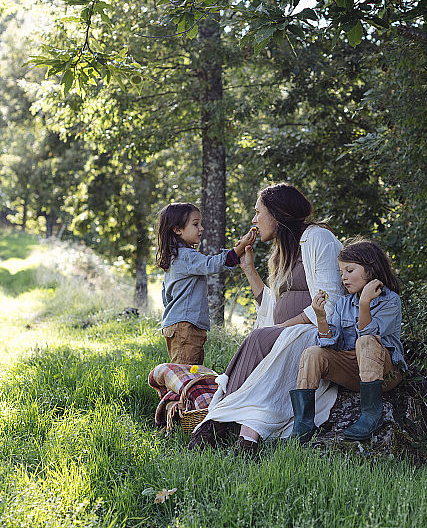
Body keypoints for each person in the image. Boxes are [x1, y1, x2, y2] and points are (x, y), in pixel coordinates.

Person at [188, 183, 344, 454]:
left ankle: (217, 421)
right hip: (289, 332)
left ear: (277, 214)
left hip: (318, 332)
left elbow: (330, 302)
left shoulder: (317, 238)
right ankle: (227, 424)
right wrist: (248, 269)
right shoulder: (282, 251)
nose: (254, 220)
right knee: (260, 338)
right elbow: (272, 306)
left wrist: (282, 327)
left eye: (258, 212)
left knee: (259, 338)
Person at [288, 238, 406, 443]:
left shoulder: (391, 301)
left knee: (366, 342)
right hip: (354, 371)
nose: (344, 277)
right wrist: (321, 318)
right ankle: (303, 423)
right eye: (342, 272)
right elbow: (330, 344)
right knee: (312, 353)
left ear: (371, 269)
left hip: (385, 374)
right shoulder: (344, 303)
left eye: (349, 271)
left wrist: (364, 303)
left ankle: (371, 415)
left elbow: (368, 336)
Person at [155, 202, 256, 365]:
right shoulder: (187, 256)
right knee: (186, 374)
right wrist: (238, 250)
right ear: (178, 229)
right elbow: (212, 264)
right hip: (186, 325)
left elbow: (165, 295)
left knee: (188, 371)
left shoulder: (174, 257)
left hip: (178, 324)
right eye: (195, 224)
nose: (201, 228)